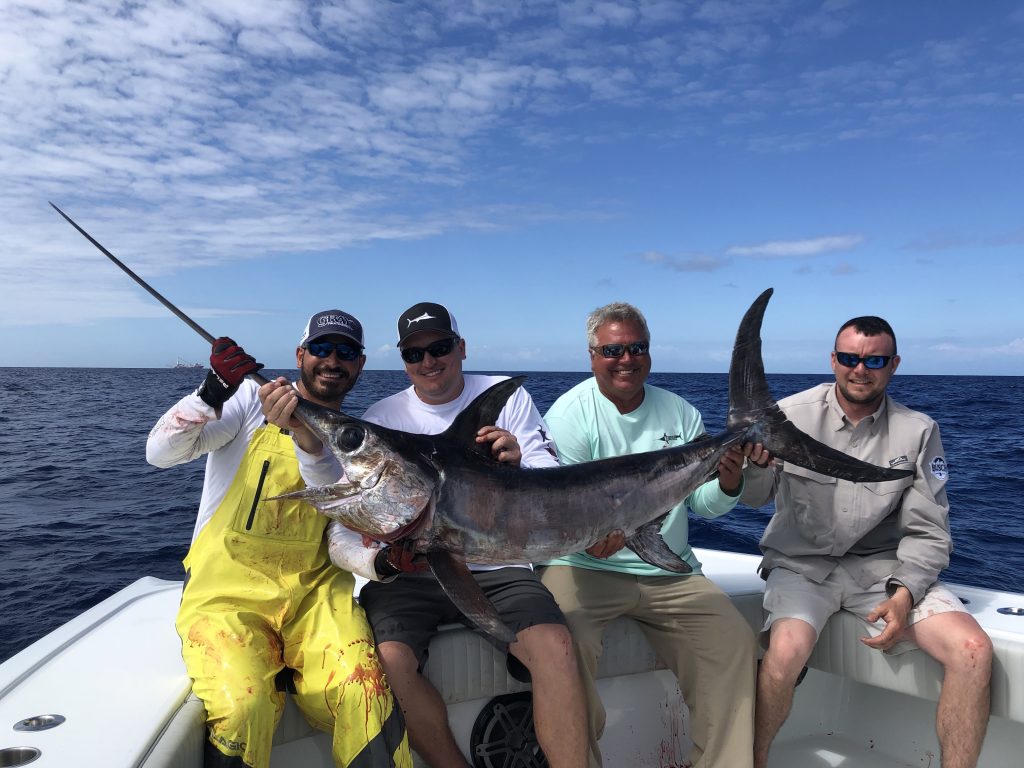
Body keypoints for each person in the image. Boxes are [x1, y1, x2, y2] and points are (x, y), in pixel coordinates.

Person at [260, 302, 590, 768]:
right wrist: (382, 562)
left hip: (497, 565)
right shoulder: (383, 414)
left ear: (461, 347)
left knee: (556, 646)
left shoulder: (505, 395)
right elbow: (343, 521)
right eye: (415, 355)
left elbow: (553, 479)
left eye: (439, 348)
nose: (428, 361)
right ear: (402, 361)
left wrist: (519, 463)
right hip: (411, 573)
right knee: (389, 665)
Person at [146, 310, 411, 768]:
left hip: (316, 599)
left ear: (360, 363)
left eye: (345, 352)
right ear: (300, 355)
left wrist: (380, 565)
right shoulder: (251, 400)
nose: (332, 360)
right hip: (227, 597)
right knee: (243, 703)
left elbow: (342, 535)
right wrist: (211, 391)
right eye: (322, 349)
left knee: (365, 693)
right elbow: (160, 453)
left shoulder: (355, 440)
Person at [741, 315, 993, 768]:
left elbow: (930, 529)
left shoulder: (917, 430)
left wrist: (905, 594)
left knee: (973, 651)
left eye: (875, 359)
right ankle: (755, 761)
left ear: (894, 364)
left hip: (881, 572)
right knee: (784, 653)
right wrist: (753, 464)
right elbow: (754, 498)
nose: (861, 369)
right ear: (833, 360)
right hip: (801, 567)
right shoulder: (787, 415)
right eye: (850, 358)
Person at [538, 301, 763, 768]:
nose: (626, 358)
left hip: (670, 570)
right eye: (613, 349)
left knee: (735, 643)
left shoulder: (680, 414)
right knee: (562, 643)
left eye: (636, 347)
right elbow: (566, 516)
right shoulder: (569, 416)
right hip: (584, 566)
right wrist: (593, 538)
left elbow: (703, 506)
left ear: (650, 352)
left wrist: (729, 480)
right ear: (592, 356)